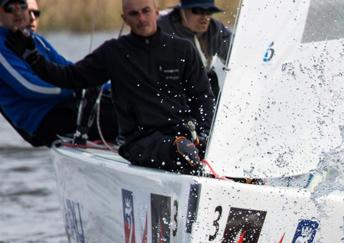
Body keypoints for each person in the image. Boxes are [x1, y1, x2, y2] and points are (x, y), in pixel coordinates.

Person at [6, 0, 214, 172]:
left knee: (207, 147)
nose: (141, 19)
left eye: (145, 12)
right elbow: (69, 76)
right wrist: (33, 59)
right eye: (134, 14)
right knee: (182, 150)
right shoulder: (113, 52)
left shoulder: (182, 50)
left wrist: (205, 133)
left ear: (156, 13)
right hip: (140, 141)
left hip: (182, 135)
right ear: (125, 19)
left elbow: (202, 97)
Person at [0, 0, 77, 146]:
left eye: (22, 6)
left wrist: (105, 84)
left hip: (66, 107)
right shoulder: (1, 46)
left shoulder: (38, 40)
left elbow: (68, 69)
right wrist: (75, 90)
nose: (17, 12)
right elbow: (29, 87)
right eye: (10, 8)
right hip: (44, 120)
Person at [157, 0, 231, 96]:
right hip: (167, 85)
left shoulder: (215, 30)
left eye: (209, 12)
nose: (204, 18)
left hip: (202, 82)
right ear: (182, 11)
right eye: (197, 11)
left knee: (210, 79)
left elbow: (238, 55)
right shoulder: (161, 27)